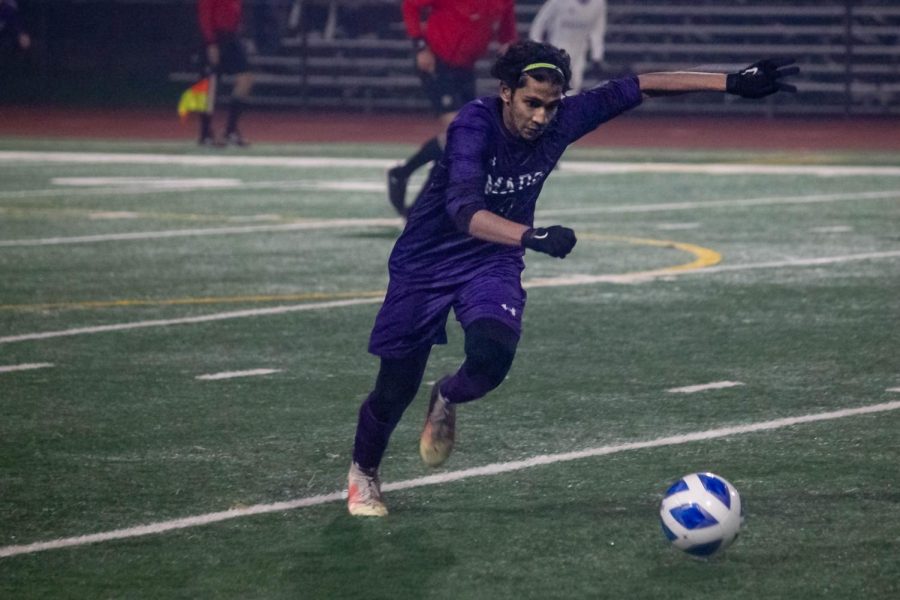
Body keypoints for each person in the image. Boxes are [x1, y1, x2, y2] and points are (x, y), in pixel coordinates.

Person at [346, 40, 798, 517]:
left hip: (491, 260)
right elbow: (463, 211)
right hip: (427, 262)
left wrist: (730, 82)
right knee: (395, 386)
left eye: (551, 105)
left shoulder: (562, 119)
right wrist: (531, 234)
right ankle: (363, 473)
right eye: (531, 104)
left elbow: (640, 86)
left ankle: (447, 394)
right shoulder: (472, 125)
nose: (541, 117)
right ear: (505, 92)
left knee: (492, 358)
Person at [387, 0, 519, 216]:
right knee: (460, 132)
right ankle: (412, 191)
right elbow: (411, 5)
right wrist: (420, 47)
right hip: (437, 62)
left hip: (465, 69)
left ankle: (406, 181)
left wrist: (510, 52)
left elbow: (507, 33)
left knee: (461, 138)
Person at [197, 0, 254, 146]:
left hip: (231, 36)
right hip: (216, 36)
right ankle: (205, 134)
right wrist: (210, 42)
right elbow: (205, 13)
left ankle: (231, 130)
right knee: (210, 85)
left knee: (246, 79)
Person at [529, 0, 607, 93]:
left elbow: (597, 30)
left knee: (574, 87)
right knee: (554, 86)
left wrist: (597, 56)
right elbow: (539, 25)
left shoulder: (598, 3)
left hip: (579, 51)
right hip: (557, 49)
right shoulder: (558, 2)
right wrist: (538, 47)